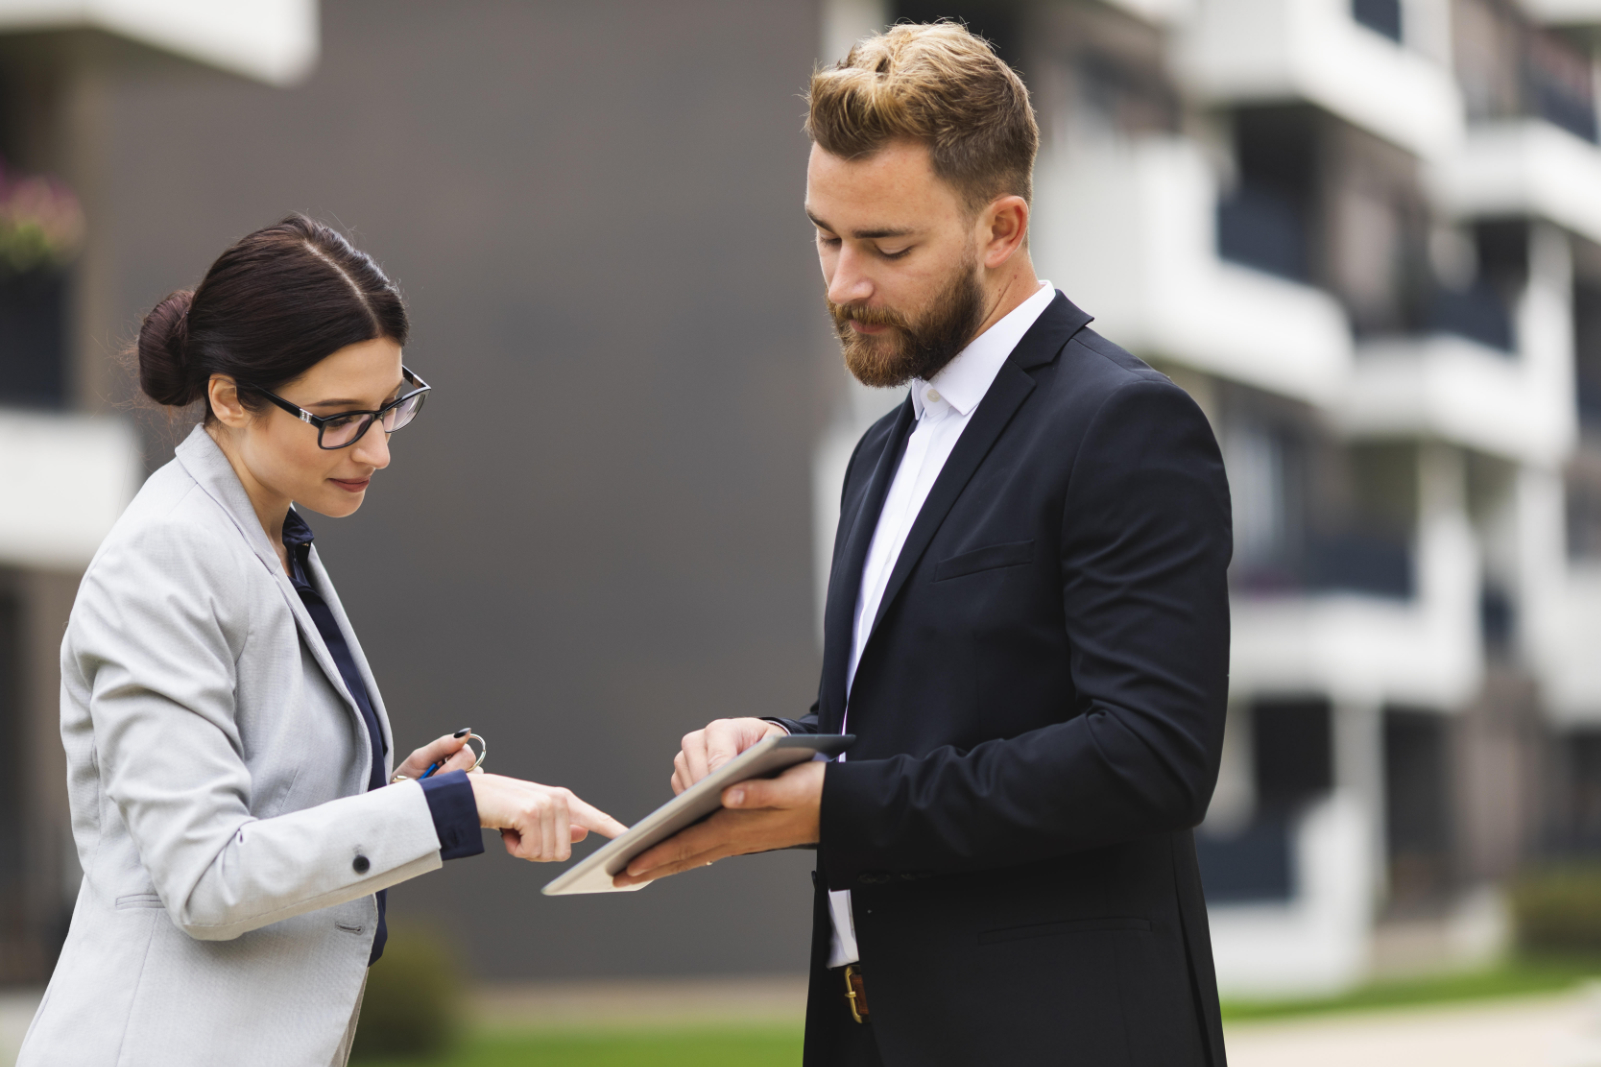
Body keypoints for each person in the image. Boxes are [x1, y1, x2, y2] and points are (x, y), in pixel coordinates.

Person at [620, 23, 1233, 1067]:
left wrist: (837, 805)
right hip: (871, 1026)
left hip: (1059, 1031)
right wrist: (777, 742)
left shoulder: (1124, 426)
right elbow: (920, 711)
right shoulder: (882, 450)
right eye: (825, 236)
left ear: (1001, 226)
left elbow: (1150, 757)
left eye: (885, 247)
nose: (843, 283)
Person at [18, 216, 626, 1067]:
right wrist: (447, 810)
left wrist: (397, 791)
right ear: (229, 398)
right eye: (339, 418)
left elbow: (263, 802)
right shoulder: (167, 555)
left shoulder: (267, 534)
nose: (376, 449)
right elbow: (206, 879)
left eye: (390, 407)